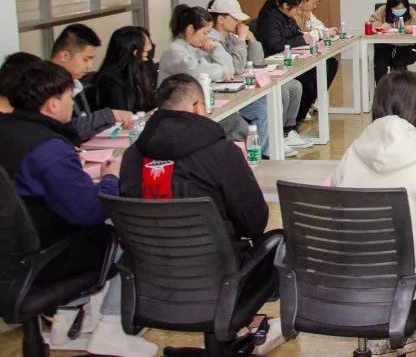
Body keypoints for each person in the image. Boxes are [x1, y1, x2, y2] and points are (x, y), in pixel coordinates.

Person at [0, 59, 157, 356]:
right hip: (43, 258)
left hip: (14, 254)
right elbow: (90, 211)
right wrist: (111, 177)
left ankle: (66, 323)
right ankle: (111, 328)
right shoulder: (47, 148)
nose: (72, 103)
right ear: (51, 104)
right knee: (132, 224)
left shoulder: (11, 132)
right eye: (68, 97)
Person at [119, 73, 284, 354]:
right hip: (220, 282)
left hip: (151, 283)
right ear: (197, 107)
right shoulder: (221, 153)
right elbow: (254, 222)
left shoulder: (132, 156)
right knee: (279, 242)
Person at [330, 71, 416, 355]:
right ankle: (400, 329)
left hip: (349, 279)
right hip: (401, 289)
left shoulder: (352, 153)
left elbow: (336, 213)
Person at [208, 0, 308, 158]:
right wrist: (242, 39)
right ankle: (266, 152)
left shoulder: (231, 37)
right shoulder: (212, 41)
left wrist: (252, 39)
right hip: (224, 95)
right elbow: (236, 68)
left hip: (240, 88)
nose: (239, 23)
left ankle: (274, 142)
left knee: (269, 102)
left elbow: (257, 61)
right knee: (263, 108)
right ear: (220, 19)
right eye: (235, 19)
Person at [159, 4, 249, 142]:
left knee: (236, 121)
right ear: (190, 29)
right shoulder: (174, 52)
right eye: (205, 33)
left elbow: (230, 69)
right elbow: (198, 70)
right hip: (177, 113)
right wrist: (224, 72)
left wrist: (216, 48)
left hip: (195, 107)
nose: (206, 38)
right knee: (236, 124)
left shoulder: (194, 47)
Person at [50, 23, 134, 142]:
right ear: (64, 56)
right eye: (85, 59)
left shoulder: (74, 82)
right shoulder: (45, 87)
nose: (89, 66)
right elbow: (65, 130)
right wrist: (108, 115)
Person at [256, 0, 320, 130]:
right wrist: (301, 39)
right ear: (285, 6)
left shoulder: (287, 17)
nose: (298, 11)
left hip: (289, 59)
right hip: (274, 64)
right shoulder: (270, 19)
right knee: (306, 83)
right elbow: (275, 46)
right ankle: (290, 126)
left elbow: (295, 34)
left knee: (314, 76)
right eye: (296, 7)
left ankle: (291, 127)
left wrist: (302, 37)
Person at [84, 26, 156, 114]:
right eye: (147, 43)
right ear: (135, 52)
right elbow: (122, 114)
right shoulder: (110, 81)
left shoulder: (145, 66)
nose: (150, 47)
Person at [368, 0, 416, 83]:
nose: (399, 10)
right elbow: (371, 22)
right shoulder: (383, 10)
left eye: (401, 8)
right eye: (396, 8)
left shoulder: (410, 10)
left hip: (403, 47)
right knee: (380, 67)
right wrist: (381, 26)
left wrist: (412, 27)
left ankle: (398, 91)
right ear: (390, 6)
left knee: (399, 69)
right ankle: (382, 89)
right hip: (384, 46)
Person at [297, 0, 340, 92]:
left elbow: (319, 26)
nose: (315, 6)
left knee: (332, 63)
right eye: (314, 3)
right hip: (297, 56)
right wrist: (325, 32)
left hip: (309, 52)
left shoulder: (307, 12)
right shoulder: (294, 12)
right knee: (324, 67)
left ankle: (316, 99)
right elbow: (305, 37)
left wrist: (325, 31)